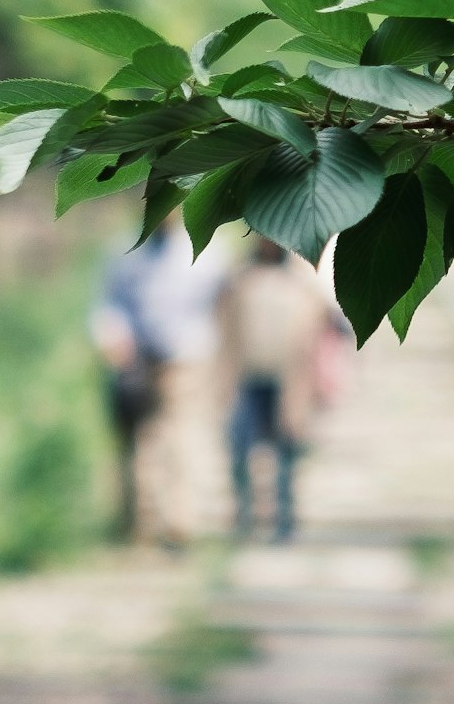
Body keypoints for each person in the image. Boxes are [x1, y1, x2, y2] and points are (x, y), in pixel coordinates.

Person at [87, 214, 229, 546]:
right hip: (137, 361)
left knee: (181, 436)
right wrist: (112, 338)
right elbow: (108, 306)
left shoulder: (207, 251)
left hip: (185, 358)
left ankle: (180, 520)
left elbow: (220, 304)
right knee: (139, 441)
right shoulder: (122, 251)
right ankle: (139, 521)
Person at [215, 236, 353, 542]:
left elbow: (332, 325)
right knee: (240, 447)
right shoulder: (239, 277)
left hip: (289, 381)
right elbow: (221, 321)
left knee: (285, 453)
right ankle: (244, 516)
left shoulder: (302, 280)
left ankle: (285, 521)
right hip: (247, 377)